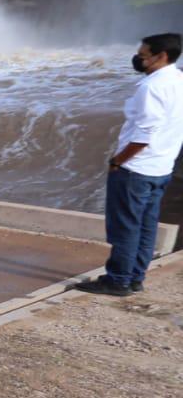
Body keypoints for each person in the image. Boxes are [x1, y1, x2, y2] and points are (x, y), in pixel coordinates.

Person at [75, 33, 183, 296]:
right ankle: (135, 277)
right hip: (161, 167)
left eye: (143, 55)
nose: (138, 59)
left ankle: (118, 280)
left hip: (136, 169)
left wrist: (117, 160)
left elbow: (143, 136)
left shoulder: (151, 88)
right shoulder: (179, 80)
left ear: (162, 56)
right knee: (146, 227)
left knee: (125, 227)